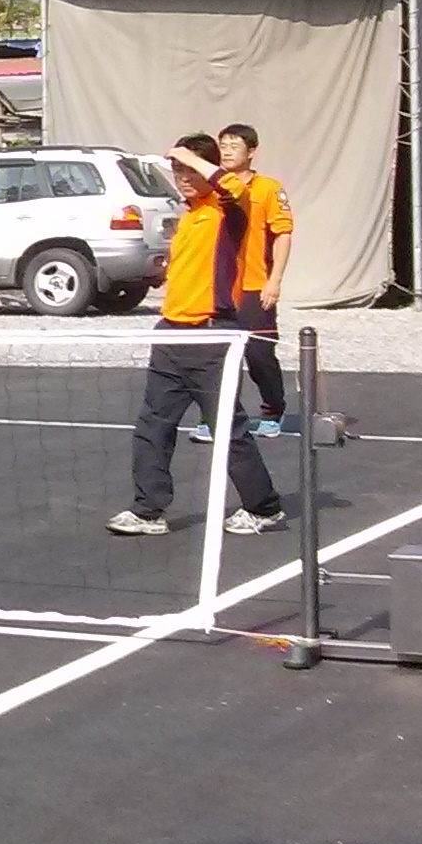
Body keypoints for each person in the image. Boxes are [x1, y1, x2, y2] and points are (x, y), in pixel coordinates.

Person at [108, 134, 283, 540]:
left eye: (190, 170)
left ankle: (264, 508)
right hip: (172, 335)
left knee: (228, 429)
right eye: (178, 171)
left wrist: (189, 155)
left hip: (211, 335)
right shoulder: (188, 216)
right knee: (153, 426)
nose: (183, 177)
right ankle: (148, 510)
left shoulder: (229, 210)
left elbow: (233, 186)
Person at [196, 120, 292, 439]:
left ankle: (273, 410)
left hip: (254, 284)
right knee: (216, 356)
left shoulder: (268, 189)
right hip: (219, 286)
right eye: (223, 145)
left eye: (234, 146)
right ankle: (214, 416)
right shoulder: (211, 187)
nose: (226, 152)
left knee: (259, 354)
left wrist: (274, 280)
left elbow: (283, 234)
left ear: (251, 152)